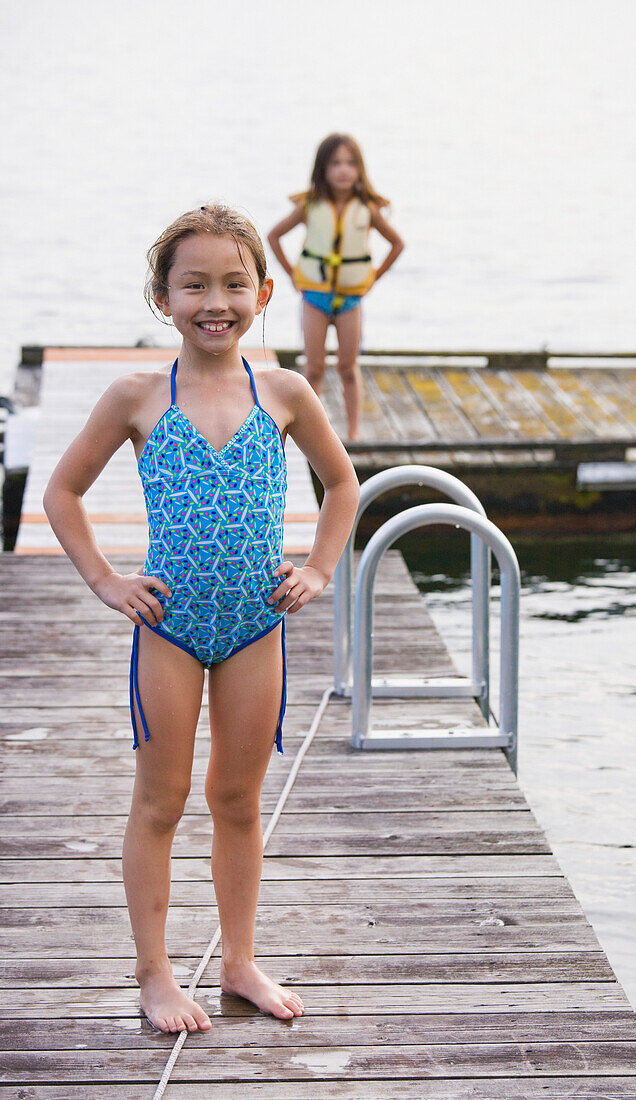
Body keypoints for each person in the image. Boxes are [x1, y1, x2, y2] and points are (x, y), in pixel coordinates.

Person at [42, 204, 360, 1035]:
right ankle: (154, 974)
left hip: (255, 623)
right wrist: (107, 580)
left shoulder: (283, 392)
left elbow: (343, 485)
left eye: (233, 283)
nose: (214, 300)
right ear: (162, 296)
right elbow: (62, 491)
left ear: (261, 294)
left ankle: (239, 961)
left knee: (238, 800)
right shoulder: (139, 396)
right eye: (194, 284)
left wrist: (320, 567)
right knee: (161, 799)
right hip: (171, 628)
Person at [268, 133, 405, 442]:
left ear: (360, 169)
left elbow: (397, 244)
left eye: (350, 163)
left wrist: (373, 278)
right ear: (323, 168)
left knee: (347, 367)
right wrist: (291, 273)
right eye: (335, 163)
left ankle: (353, 433)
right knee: (313, 368)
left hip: (351, 301)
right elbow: (274, 236)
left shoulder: (368, 208)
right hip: (314, 297)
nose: (343, 170)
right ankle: (303, 432)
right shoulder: (309, 205)